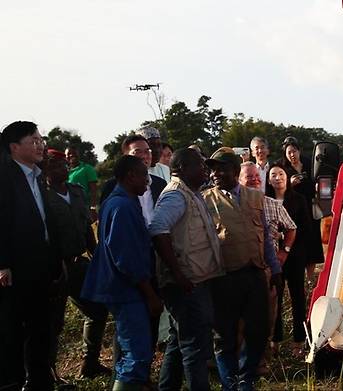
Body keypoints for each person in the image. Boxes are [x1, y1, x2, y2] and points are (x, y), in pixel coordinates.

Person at [81, 155, 163, 391]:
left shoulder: (121, 200)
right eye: (144, 177)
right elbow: (126, 257)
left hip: (124, 288)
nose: (148, 182)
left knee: (132, 350)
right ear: (131, 176)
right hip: (126, 290)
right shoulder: (122, 206)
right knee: (137, 353)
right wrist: (149, 294)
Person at [202, 148, 280, 391]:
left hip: (255, 275)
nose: (216, 174)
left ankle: (246, 379)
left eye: (221, 168)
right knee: (225, 336)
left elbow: (266, 236)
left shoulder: (256, 197)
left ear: (236, 170)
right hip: (224, 278)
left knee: (258, 332)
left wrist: (275, 269)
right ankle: (230, 383)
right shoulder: (205, 200)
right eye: (213, 169)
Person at [149, 149, 224, 391]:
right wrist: (177, 273)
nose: (205, 170)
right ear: (181, 168)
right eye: (200, 165)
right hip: (187, 283)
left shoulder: (191, 193)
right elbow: (158, 229)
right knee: (196, 346)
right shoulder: (175, 195)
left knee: (178, 341)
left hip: (196, 279)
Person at [0, 121, 58, 391]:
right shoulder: (4, 176)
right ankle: (12, 381)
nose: (40, 144)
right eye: (32, 140)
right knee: (13, 329)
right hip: (14, 267)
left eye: (40, 139)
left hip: (41, 264)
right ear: (14, 147)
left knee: (40, 328)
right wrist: (3, 264)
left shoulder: (36, 175)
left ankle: (38, 381)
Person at [43, 149, 110, 380]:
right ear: (45, 170)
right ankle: (49, 373)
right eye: (53, 166)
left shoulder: (77, 192)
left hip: (80, 263)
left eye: (62, 165)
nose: (60, 169)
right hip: (56, 268)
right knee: (54, 322)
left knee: (98, 310)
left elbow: (85, 228)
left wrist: (96, 255)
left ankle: (89, 364)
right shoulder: (42, 197)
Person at [239, 162, 296, 361]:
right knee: (240, 319)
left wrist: (284, 251)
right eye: (249, 177)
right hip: (240, 269)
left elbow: (291, 228)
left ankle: (262, 359)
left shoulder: (272, 204)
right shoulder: (232, 206)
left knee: (266, 316)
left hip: (267, 269)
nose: (255, 180)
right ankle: (240, 360)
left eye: (257, 176)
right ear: (239, 181)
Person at [265, 163, 312, 358]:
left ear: (287, 177)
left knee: (297, 298)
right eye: (273, 174)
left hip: (295, 255)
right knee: (274, 297)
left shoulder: (299, 200)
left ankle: (299, 342)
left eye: (281, 174)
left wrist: (288, 245)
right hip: (272, 258)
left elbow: (305, 228)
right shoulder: (264, 201)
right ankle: (275, 340)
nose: (278, 177)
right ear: (268, 180)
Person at [279, 136, 325, 281]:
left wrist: (318, 186)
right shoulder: (283, 168)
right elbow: (279, 189)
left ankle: (310, 279)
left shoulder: (309, 163)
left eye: (294, 151)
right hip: (294, 212)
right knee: (299, 243)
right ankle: (299, 276)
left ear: (299, 151)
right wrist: (290, 184)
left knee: (312, 242)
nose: (292, 155)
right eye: (289, 152)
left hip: (311, 208)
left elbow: (319, 178)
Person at [100, 134, 167, 225]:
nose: (144, 156)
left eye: (147, 151)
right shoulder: (113, 186)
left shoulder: (160, 184)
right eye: (137, 152)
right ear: (126, 156)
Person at [65, 147, 99, 217]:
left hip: (83, 209)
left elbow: (94, 191)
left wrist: (93, 208)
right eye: (68, 154)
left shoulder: (87, 168)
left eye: (74, 153)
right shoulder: (63, 171)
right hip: (67, 210)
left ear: (78, 154)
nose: (71, 155)